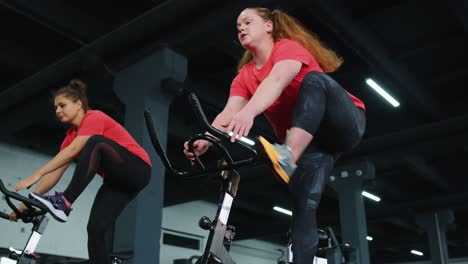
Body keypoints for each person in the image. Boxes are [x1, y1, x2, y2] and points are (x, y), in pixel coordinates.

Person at [183, 7, 366, 263]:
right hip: (314, 145)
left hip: (344, 123)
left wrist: (250, 113)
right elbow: (227, 113)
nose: (241, 28)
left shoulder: (287, 48)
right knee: (304, 206)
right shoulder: (244, 76)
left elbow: (277, 81)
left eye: (247, 22)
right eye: (238, 26)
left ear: (269, 26)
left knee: (314, 80)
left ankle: (287, 154)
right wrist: (206, 138)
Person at [10, 79, 152, 264]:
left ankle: (65, 202)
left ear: (78, 104)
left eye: (62, 105)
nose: (57, 111)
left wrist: (35, 174)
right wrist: (24, 205)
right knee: (95, 228)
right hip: (117, 182)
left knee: (95, 142)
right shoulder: (69, 139)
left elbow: (76, 148)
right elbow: (53, 175)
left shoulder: (94, 118)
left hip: (138, 169)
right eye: (55, 108)